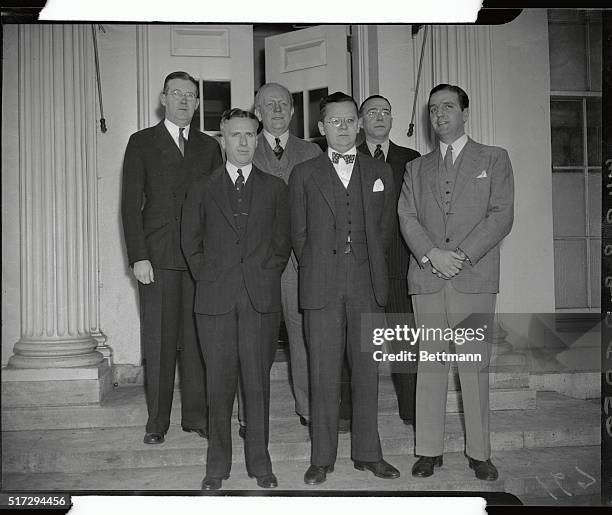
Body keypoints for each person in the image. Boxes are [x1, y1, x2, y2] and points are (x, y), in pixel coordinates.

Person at [398, 84, 514, 481]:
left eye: (447, 107)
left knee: (473, 368)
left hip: (474, 277)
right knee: (430, 366)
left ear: (465, 111)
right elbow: (407, 217)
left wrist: (460, 255)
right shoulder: (415, 168)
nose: (439, 115)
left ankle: (479, 452)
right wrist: (433, 254)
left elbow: (500, 215)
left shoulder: (494, 159)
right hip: (428, 277)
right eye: (433, 110)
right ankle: (428, 450)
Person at [289, 91, 400, 485]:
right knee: (322, 373)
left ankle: (369, 454)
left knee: (368, 372)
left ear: (359, 123)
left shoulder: (379, 172)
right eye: (334, 121)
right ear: (321, 128)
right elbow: (298, 234)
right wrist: (322, 267)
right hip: (321, 285)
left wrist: (362, 264)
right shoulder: (304, 174)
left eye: (350, 120)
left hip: (367, 284)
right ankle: (322, 458)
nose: (343, 127)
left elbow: (385, 231)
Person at [181, 108, 291, 490]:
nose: (244, 142)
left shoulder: (275, 187)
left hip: (260, 300)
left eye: (250, 135)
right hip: (214, 302)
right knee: (219, 385)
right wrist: (210, 278)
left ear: (257, 139)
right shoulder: (202, 187)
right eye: (235, 135)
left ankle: (261, 465)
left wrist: (264, 275)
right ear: (222, 140)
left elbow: (282, 243)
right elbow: (190, 242)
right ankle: (217, 467)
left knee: (257, 384)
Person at [121, 71, 222, 445]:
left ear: (197, 103)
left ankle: (196, 416)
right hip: (157, 259)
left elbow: (217, 208)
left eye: (191, 95)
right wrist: (138, 257)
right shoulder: (142, 142)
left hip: (198, 261)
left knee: (197, 341)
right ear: (163, 98)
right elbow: (130, 207)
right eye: (176, 93)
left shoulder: (209, 147)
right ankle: (157, 421)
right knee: (160, 343)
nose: (184, 100)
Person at [252, 82, 322, 429]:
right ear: (258, 112)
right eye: (269, 104)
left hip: (300, 262)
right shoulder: (243, 146)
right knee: (253, 339)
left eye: (283, 103)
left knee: (302, 335)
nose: (277, 109)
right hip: (258, 262)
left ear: (293, 111)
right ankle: (250, 412)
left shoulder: (311, 152)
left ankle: (308, 407)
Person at [357, 94, 421, 427]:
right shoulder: (346, 156)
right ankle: (355, 413)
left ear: (392, 120)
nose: (379, 117)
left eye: (385, 111)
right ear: (360, 120)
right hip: (359, 268)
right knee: (359, 344)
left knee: (404, 342)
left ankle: (410, 410)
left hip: (399, 266)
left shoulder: (411, 159)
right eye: (372, 112)